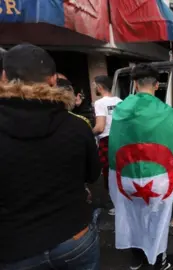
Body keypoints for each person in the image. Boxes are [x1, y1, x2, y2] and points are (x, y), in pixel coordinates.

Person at [0, 44, 101, 269]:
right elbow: (93, 174)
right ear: (53, 80)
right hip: (74, 239)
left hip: (15, 249)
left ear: (5, 77)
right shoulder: (77, 126)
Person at [108, 64, 173, 270]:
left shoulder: (120, 110)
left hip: (126, 177)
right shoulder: (167, 112)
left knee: (132, 216)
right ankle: (158, 262)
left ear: (134, 83)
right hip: (159, 178)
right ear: (157, 85)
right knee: (158, 217)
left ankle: (137, 259)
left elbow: (114, 144)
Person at [92, 75, 122, 216]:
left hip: (107, 141)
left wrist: (88, 132)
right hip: (122, 140)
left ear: (99, 87)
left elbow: (100, 127)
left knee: (109, 173)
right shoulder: (121, 102)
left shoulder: (99, 103)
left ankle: (116, 205)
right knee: (122, 172)